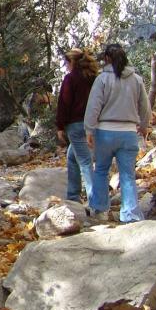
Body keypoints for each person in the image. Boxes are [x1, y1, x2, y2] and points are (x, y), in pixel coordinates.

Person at [84, 43, 151, 223]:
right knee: (127, 174)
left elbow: (93, 107)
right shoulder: (136, 79)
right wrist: (144, 126)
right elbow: (144, 107)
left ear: (106, 59)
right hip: (128, 132)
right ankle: (130, 214)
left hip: (104, 131)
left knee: (101, 171)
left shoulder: (102, 79)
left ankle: (100, 210)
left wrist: (89, 129)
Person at [56, 48, 101, 203]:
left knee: (85, 162)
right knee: (72, 158)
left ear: (72, 62)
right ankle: (73, 196)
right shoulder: (94, 78)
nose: (65, 66)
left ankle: (96, 202)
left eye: (66, 63)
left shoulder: (71, 79)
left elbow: (64, 103)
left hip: (75, 125)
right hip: (93, 123)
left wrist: (60, 126)